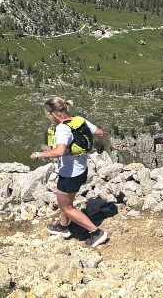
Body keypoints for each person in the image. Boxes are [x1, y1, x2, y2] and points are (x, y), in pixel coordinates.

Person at [31, 96, 109, 249]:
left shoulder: (62, 128)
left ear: (53, 113)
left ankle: (96, 232)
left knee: (66, 207)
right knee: (67, 202)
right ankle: (63, 227)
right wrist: (101, 145)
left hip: (69, 174)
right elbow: (100, 132)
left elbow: (59, 151)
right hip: (81, 169)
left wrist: (39, 154)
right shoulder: (79, 120)